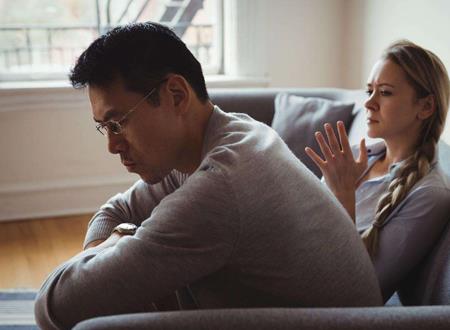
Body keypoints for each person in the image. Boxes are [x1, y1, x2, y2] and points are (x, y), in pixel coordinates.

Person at [34, 22, 382, 330]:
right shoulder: (231, 134)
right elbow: (116, 211)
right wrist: (110, 245)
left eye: (118, 122)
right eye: (103, 128)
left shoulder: (222, 186)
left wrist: (118, 244)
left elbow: (53, 307)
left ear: (176, 95)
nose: (112, 145)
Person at [305, 40, 450, 302]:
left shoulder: (429, 194)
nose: (369, 104)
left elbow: (359, 292)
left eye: (385, 92)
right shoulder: (358, 159)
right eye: (369, 91)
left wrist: (344, 197)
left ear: (426, 107)